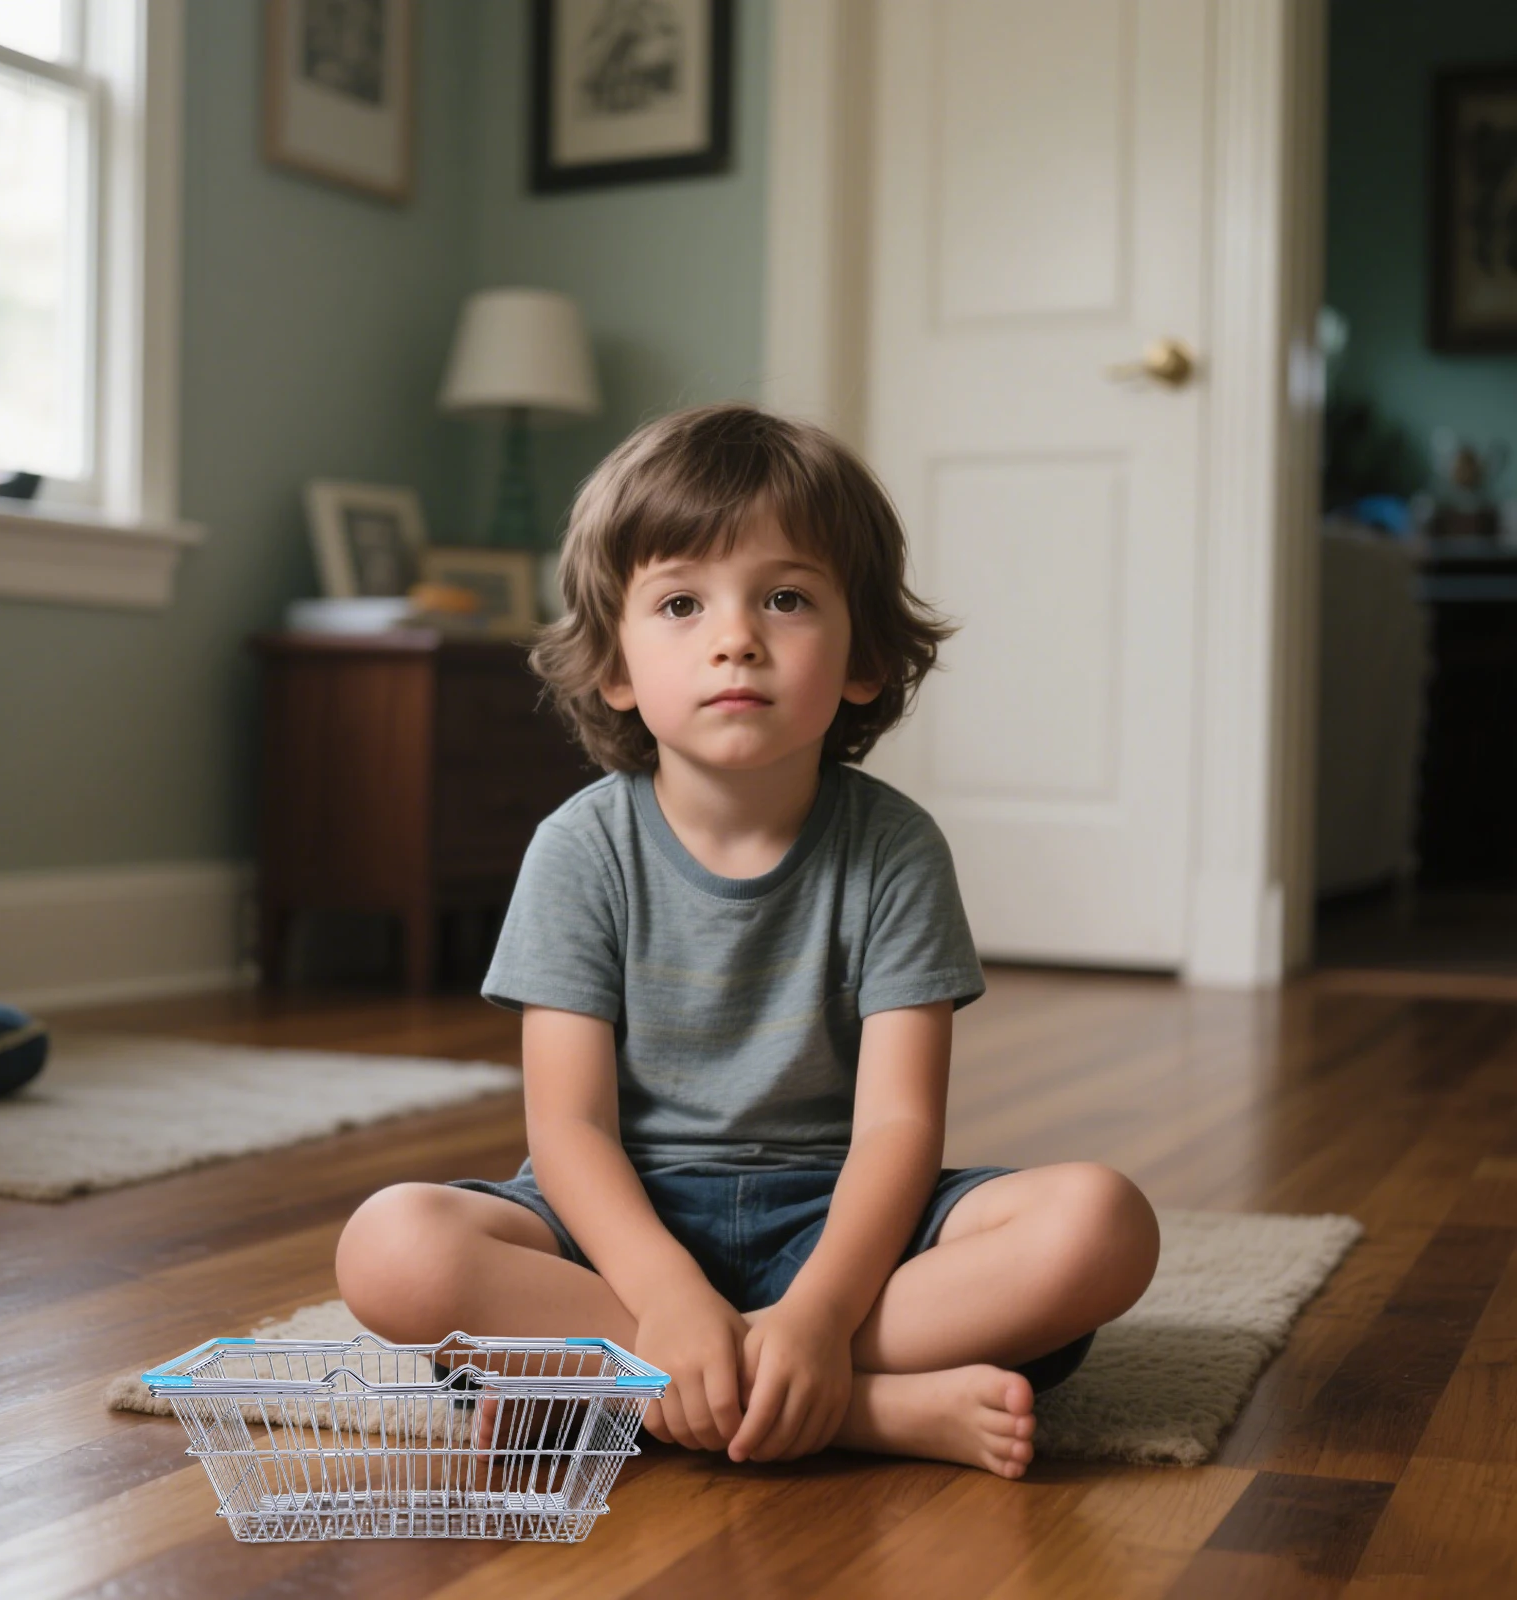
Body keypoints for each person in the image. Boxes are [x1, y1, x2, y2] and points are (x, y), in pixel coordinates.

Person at [335, 403, 1160, 1477]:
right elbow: (571, 1127)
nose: (737, 635)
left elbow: (899, 1128)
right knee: (391, 1247)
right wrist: (669, 1294)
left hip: (841, 1218)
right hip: (620, 1225)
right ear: (617, 668)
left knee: (1101, 1224)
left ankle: (645, 1391)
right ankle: (862, 1410)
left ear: (863, 656)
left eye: (784, 596)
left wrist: (818, 1310)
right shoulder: (578, 848)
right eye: (680, 601)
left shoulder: (894, 849)